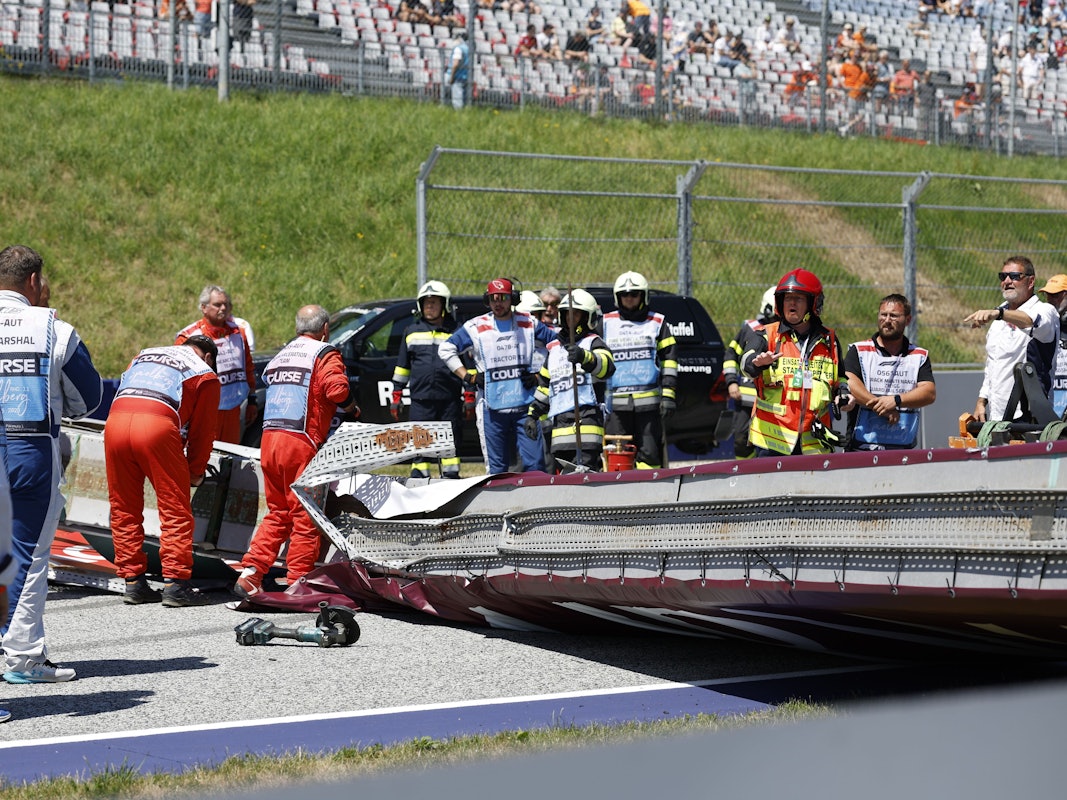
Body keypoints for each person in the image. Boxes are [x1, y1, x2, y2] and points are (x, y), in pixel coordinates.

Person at [0, 245, 102, 684]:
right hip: (29, 452)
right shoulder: (52, 328)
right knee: (25, 558)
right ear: (34, 282)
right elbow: (92, 397)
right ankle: (19, 656)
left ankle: (24, 654)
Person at [235, 305, 358, 598]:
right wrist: (352, 407)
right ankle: (299, 582)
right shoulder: (324, 352)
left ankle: (251, 573)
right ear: (325, 328)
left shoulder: (282, 354)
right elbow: (337, 390)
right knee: (305, 515)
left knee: (278, 513)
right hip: (300, 443)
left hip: (269, 441)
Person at [105, 336, 220, 607]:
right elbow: (202, 432)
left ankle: (133, 582)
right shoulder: (205, 372)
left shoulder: (145, 353)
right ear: (208, 358)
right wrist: (194, 471)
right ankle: (176, 584)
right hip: (156, 425)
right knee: (174, 508)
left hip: (115, 423)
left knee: (123, 506)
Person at [439, 278, 554, 475]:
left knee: (536, 465)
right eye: (493, 299)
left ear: (513, 299)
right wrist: (469, 378)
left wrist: (539, 376)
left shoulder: (528, 322)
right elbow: (446, 349)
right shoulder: (475, 326)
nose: (498, 303)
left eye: (503, 298)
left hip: (525, 407)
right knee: (497, 469)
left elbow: (557, 345)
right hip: (490, 408)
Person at [741, 269, 848, 457]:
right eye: (787, 298)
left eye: (798, 299)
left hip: (814, 441)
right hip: (773, 441)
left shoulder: (829, 339)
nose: (791, 303)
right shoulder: (766, 334)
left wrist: (844, 393)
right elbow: (745, 364)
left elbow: (840, 377)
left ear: (813, 304)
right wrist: (756, 364)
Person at [525, 289, 615, 472]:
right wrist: (532, 415)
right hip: (560, 429)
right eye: (566, 313)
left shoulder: (593, 342)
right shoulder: (554, 349)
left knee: (587, 476)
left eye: (576, 313)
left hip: (586, 423)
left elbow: (607, 367)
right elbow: (545, 386)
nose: (570, 318)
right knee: (565, 476)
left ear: (587, 317)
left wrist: (585, 357)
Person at [966, 257, 1059, 422]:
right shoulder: (999, 314)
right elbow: (992, 364)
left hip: (1031, 417)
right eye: (1003, 277)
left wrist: (999, 314)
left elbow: (1031, 321)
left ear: (1031, 282)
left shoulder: (1046, 311)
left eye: (1015, 276)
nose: (1007, 281)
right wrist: (982, 400)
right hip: (997, 414)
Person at [602, 271, 677, 470]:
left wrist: (668, 396)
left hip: (649, 406)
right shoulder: (606, 323)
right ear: (618, 298)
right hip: (616, 406)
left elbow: (669, 359)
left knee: (650, 454)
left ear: (643, 296)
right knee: (618, 454)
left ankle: (650, 494)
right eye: (625, 295)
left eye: (634, 294)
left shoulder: (658, 323)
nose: (629, 298)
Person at [390, 281, 465, 479]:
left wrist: (471, 394)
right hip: (421, 400)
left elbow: (467, 366)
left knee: (449, 445)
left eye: (434, 303)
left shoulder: (456, 331)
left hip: (449, 399)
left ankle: (450, 479)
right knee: (420, 443)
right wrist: (396, 394)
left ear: (444, 305)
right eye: (426, 303)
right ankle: (419, 481)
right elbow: (402, 367)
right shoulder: (411, 332)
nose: (429, 307)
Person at [843, 294, 936, 451]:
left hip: (903, 450)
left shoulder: (919, 356)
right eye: (883, 314)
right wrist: (881, 406)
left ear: (907, 320)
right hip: (860, 449)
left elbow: (929, 393)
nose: (887, 320)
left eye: (894, 316)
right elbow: (849, 383)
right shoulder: (858, 350)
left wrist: (896, 400)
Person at [176, 285, 257, 444]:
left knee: (229, 460)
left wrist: (252, 400)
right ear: (204, 308)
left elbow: (248, 367)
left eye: (227, 304)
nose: (223, 308)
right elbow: (180, 378)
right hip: (204, 412)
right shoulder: (189, 337)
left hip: (233, 409)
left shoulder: (239, 332)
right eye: (218, 304)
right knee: (202, 458)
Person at [723, 287, 777, 459]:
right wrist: (731, 382)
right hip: (745, 399)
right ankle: (743, 475)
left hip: (770, 402)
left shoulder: (786, 333)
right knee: (741, 441)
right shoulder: (750, 328)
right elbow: (731, 353)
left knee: (765, 443)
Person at [1040, 275, 1067, 417]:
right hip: (1049, 409)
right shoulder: (1045, 328)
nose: (1050, 301)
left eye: (1055, 295)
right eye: (1048, 295)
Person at [448, 30, 469, 110]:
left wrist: (452, 77)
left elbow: (455, 64)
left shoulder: (458, 49)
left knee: (457, 100)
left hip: (457, 76)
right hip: (465, 75)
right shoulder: (467, 49)